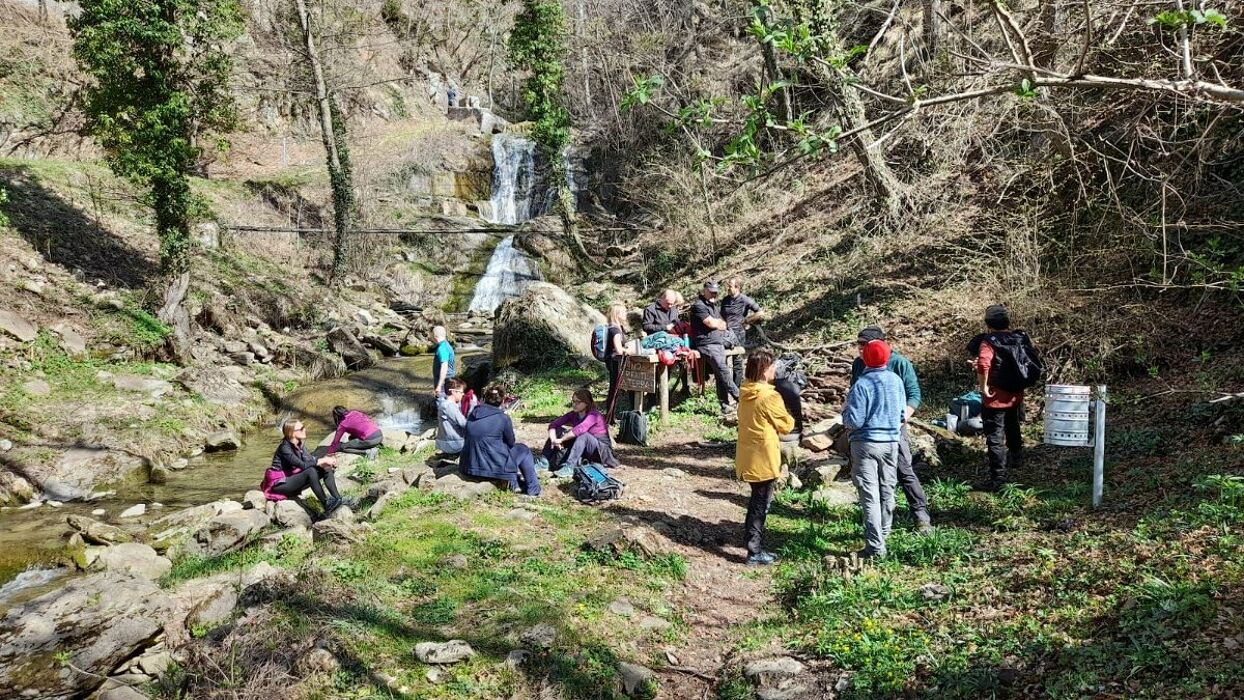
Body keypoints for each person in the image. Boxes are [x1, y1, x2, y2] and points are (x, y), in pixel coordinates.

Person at [849, 326, 932, 532]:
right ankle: (878, 523)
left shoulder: (899, 363)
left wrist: (901, 419)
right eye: (859, 344)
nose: (860, 349)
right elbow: (854, 392)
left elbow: (914, 394)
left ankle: (921, 515)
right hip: (866, 431)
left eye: (864, 345)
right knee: (870, 479)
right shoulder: (859, 364)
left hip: (893, 427)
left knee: (904, 469)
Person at [843, 339, 906, 559]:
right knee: (888, 490)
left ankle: (875, 547)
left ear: (865, 358)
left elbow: (854, 421)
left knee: (870, 495)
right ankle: (884, 535)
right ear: (887, 357)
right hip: (891, 443)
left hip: (865, 444)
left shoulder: (861, 384)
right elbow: (902, 414)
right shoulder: (896, 381)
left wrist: (844, 412)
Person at [735, 350, 795, 566]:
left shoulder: (746, 391)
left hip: (747, 456)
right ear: (764, 370)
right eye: (772, 367)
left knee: (756, 500)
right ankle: (754, 551)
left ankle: (752, 543)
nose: (775, 370)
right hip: (764, 457)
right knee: (760, 505)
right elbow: (787, 425)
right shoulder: (769, 396)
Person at [968, 304, 1028, 492]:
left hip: (995, 397)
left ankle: (998, 478)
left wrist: (983, 387)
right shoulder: (1017, 338)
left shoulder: (989, 341)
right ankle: (1017, 456)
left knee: (994, 436)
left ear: (988, 324)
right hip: (1015, 394)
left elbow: (984, 364)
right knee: (1012, 424)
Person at [461, 385, 541, 496]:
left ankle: (515, 484)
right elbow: (511, 442)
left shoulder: (472, 415)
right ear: (503, 401)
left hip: (468, 468)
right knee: (523, 449)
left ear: (483, 399)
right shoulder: (503, 418)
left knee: (496, 449)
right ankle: (533, 489)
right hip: (492, 469)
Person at [261, 419, 343, 513]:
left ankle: (338, 498)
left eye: (304, 427)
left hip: (293, 479)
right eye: (301, 429)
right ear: (291, 433)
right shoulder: (284, 448)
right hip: (279, 485)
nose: (305, 430)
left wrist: (325, 461)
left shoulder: (299, 444)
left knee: (326, 467)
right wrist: (322, 460)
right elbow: (302, 465)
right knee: (311, 471)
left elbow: (310, 459)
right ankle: (326, 504)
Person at [542, 388, 619, 474]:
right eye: (573, 401)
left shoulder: (594, 415)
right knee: (558, 430)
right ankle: (544, 461)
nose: (574, 404)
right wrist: (553, 439)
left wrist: (561, 439)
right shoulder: (573, 414)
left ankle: (569, 466)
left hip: (601, 450)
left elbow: (580, 429)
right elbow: (553, 425)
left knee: (583, 435)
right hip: (583, 447)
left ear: (586, 403)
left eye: (578, 402)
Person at [690, 281, 739, 412]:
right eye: (711, 292)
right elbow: (711, 323)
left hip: (717, 343)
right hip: (707, 344)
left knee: (720, 375)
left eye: (715, 292)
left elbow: (723, 323)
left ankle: (725, 405)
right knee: (723, 371)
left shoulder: (712, 306)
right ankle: (741, 398)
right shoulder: (699, 306)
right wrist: (717, 323)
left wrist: (718, 323)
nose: (714, 294)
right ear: (704, 291)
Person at [722, 277, 762, 388]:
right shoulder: (725, 300)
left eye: (730, 286)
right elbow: (721, 315)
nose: (727, 288)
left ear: (737, 287)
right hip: (725, 334)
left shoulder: (745, 300)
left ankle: (737, 388)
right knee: (722, 361)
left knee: (737, 361)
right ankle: (726, 387)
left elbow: (760, 312)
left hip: (738, 333)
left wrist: (747, 320)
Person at [604, 302, 632, 414]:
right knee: (615, 390)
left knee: (614, 389)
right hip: (615, 362)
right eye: (623, 312)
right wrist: (630, 351)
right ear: (617, 314)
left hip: (613, 361)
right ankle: (609, 417)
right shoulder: (615, 330)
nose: (625, 314)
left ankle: (610, 416)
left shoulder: (614, 327)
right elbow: (619, 350)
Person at [436, 378, 470, 455]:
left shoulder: (444, 403)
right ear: (453, 392)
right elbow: (464, 424)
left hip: (446, 442)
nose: (463, 394)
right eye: (461, 392)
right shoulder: (449, 406)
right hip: (453, 444)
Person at [432, 326, 456, 396]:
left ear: (435, 336)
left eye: (431, 335)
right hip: (449, 379)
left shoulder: (442, 348)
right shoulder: (446, 344)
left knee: (442, 400)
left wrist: (439, 385)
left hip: (445, 381)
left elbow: (444, 366)